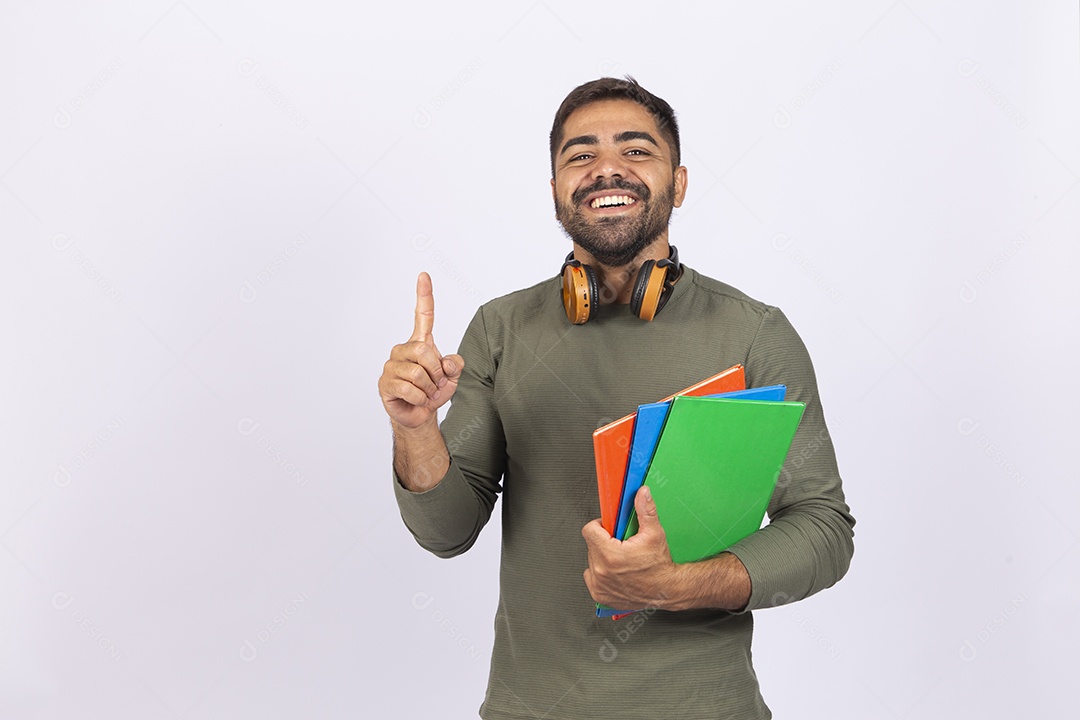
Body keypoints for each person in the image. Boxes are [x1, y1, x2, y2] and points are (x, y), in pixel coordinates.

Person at [378, 76, 855, 719]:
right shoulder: (499, 329)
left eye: (636, 150)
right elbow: (445, 533)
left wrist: (678, 586)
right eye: (580, 154)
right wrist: (414, 427)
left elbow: (823, 530)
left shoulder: (753, 332)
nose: (607, 168)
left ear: (677, 183)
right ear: (554, 191)